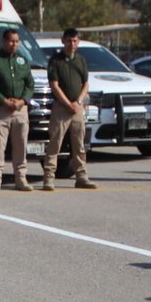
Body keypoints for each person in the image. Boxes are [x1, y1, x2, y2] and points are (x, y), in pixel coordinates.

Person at [44, 28, 96, 190]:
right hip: (61, 107)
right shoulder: (56, 61)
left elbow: (85, 84)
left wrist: (78, 101)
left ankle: (81, 176)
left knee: (79, 144)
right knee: (55, 143)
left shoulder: (81, 60)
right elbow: (54, 85)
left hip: (77, 108)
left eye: (75, 41)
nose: (72, 44)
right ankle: (49, 178)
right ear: (63, 41)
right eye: (69, 41)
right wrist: (67, 103)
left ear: (78, 42)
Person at [0, 27, 33, 191]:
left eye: (17, 41)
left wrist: (23, 100)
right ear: (4, 41)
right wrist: (3, 100)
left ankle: (21, 178)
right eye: (11, 41)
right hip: (1, 109)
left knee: (20, 144)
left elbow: (29, 84)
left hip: (20, 110)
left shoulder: (23, 60)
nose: (14, 44)